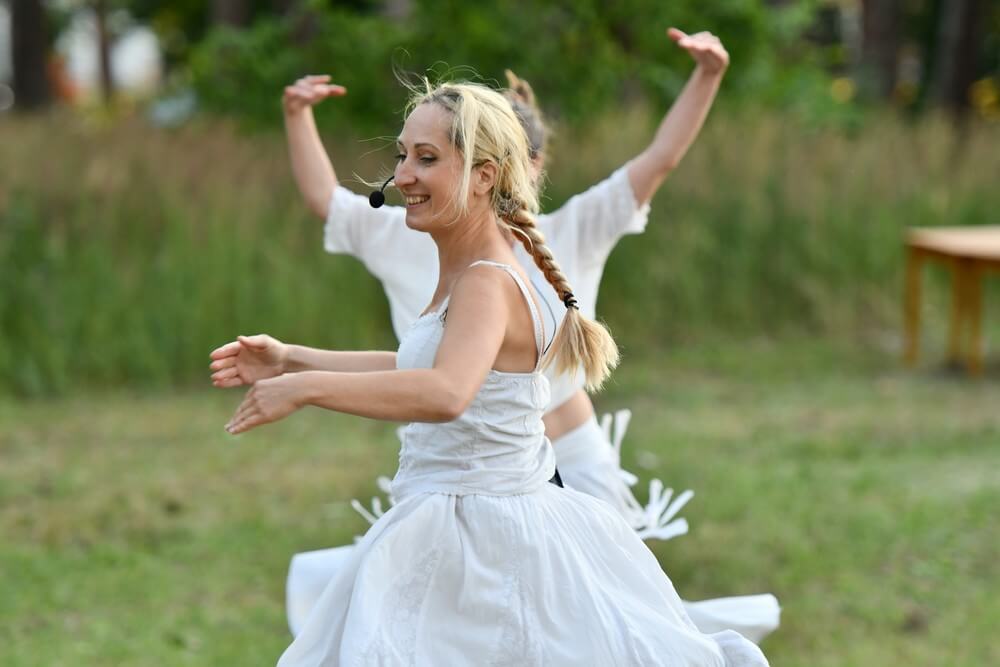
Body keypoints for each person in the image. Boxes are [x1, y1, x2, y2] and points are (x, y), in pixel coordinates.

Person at [212, 76, 768, 666]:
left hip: (486, 535)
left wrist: (306, 389)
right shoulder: (468, 270)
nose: (402, 176)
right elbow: (420, 364)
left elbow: (447, 392)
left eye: (427, 158)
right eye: (402, 155)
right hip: (455, 519)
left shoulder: (485, 279)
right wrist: (292, 358)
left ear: (484, 175)